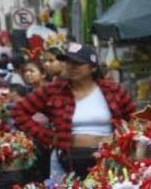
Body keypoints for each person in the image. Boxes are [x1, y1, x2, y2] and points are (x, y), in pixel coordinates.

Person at [11, 42, 136, 179]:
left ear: (92, 68)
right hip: (69, 159)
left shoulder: (113, 90)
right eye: (68, 63)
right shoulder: (53, 90)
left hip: (110, 159)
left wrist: (122, 139)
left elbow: (134, 119)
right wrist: (48, 136)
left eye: (77, 63)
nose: (71, 67)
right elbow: (18, 112)